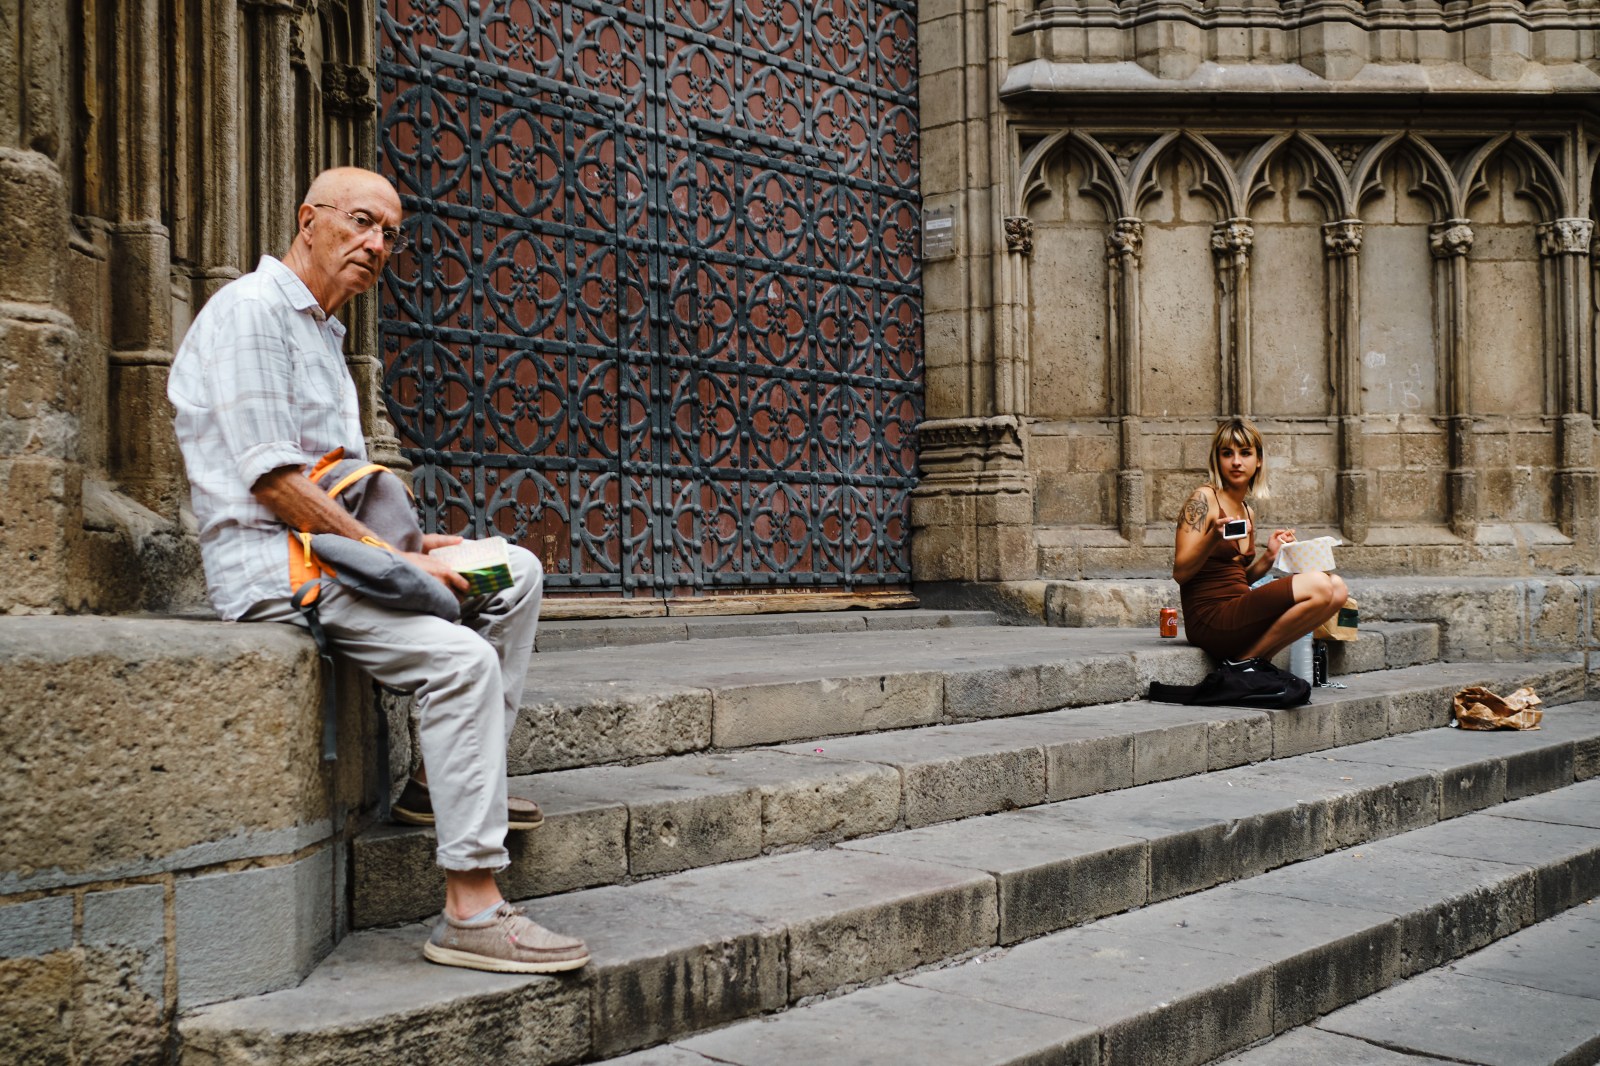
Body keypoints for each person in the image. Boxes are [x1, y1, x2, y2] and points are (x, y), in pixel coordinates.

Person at [167, 166, 588, 974]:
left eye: (390, 233)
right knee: (462, 661)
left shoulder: (323, 330)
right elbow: (278, 483)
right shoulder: (255, 314)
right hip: (285, 574)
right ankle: (471, 908)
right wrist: (396, 560)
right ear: (308, 220)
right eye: (362, 223)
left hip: (344, 557)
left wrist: (417, 547)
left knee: (517, 570)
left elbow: (338, 482)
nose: (376, 244)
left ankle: (437, 785)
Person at [1171, 416, 1348, 671]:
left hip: (1238, 612)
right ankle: (1245, 663)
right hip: (1209, 619)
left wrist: (1269, 557)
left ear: (1259, 460)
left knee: (1338, 589)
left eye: (1245, 453)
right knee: (1320, 583)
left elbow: (1238, 579)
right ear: (1216, 460)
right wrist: (1212, 538)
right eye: (1227, 453)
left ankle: (1257, 662)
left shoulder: (1247, 511)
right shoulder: (1203, 499)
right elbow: (1180, 573)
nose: (1236, 461)